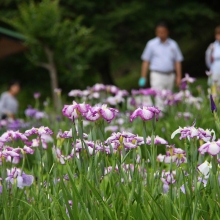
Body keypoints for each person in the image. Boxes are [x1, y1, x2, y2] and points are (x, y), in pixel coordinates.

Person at [139, 22, 183, 110]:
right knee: (158, 98)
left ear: (167, 32)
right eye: (159, 32)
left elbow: (177, 61)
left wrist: (179, 76)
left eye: (163, 32)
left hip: (170, 75)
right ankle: (160, 116)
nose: (161, 34)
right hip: (157, 75)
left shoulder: (173, 44)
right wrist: (143, 77)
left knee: (169, 97)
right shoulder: (151, 44)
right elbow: (146, 61)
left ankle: (168, 117)